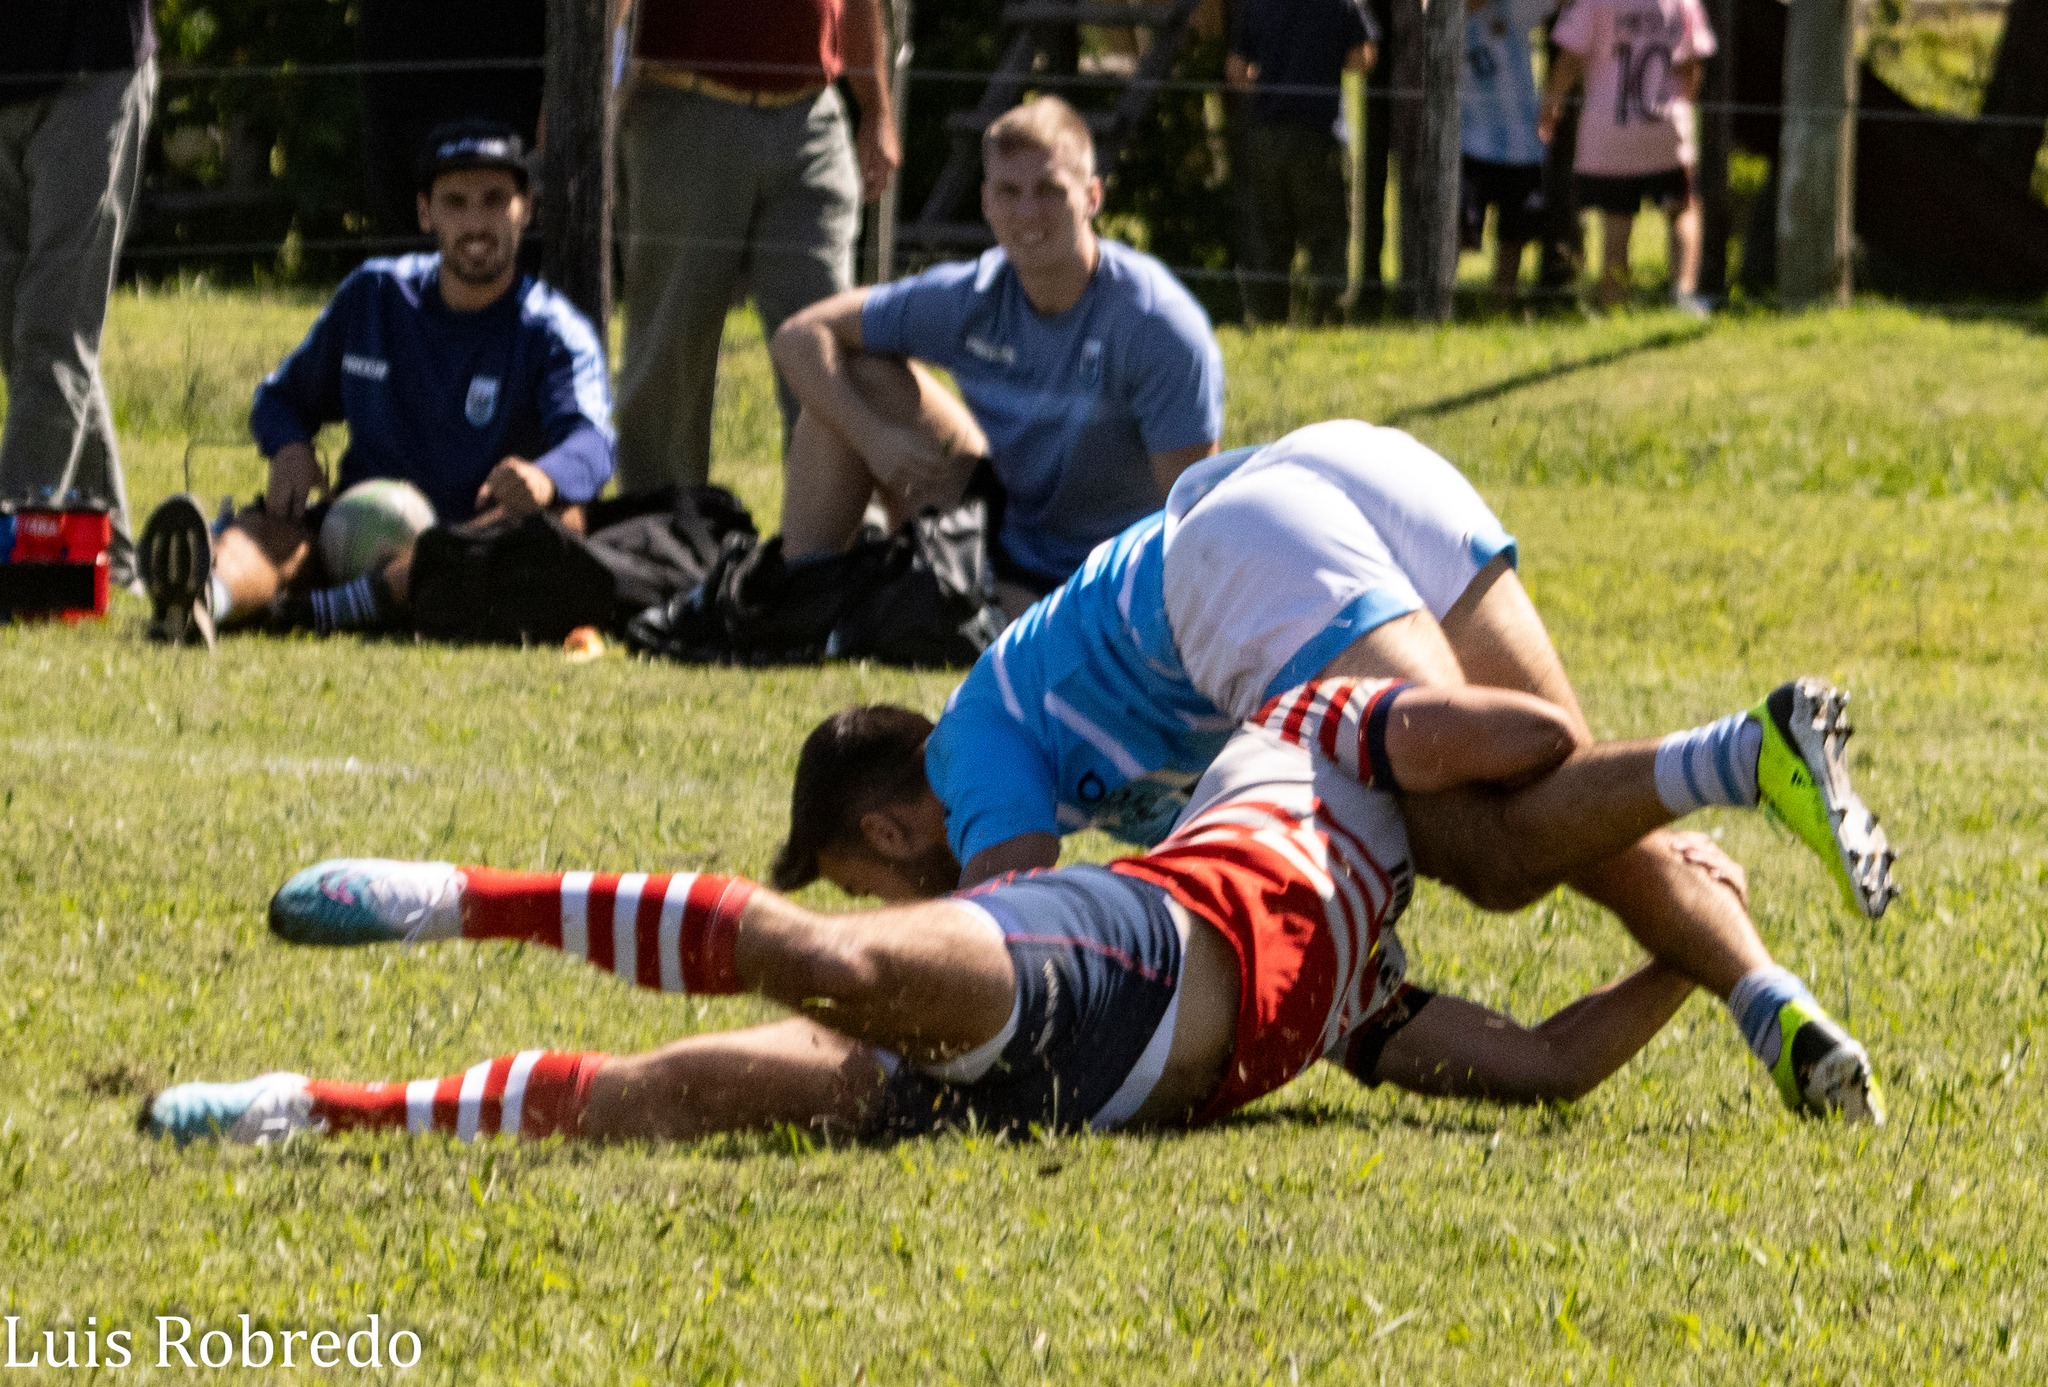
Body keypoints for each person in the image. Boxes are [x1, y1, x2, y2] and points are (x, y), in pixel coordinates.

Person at [140, 673, 1883, 1151]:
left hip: (1065, 1089)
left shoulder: (1364, 979)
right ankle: (460, 899)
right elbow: (1526, 740)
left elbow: (1541, 1066)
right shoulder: (1315, 723)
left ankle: (321, 1109)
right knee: (823, 951)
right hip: (1115, 945)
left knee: (685, 1097)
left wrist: (1683, 954)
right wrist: (1567, 796)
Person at [771, 421, 1894, 1110]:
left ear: (884, 831)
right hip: (1355, 472)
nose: (888, 913)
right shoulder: (1047, 725)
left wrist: (855, 1028)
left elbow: (1001, 939)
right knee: (1561, 809)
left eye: (865, 892)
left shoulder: (968, 747)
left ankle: (1737, 752)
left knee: (1491, 851)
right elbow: (1539, 1064)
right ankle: (1769, 997)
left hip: (1233, 553)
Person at [136, 121, 614, 647]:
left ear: (526, 210)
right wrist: (289, 446)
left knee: (561, 521)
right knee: (271, 533)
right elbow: (280, 399)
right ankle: (206, 598)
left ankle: (328, 610)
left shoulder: (553, 330)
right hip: (358, 528)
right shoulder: (374, 295)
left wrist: (543, 476)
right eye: (455, 203)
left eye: (495, 200)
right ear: (425, 213)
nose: (477, 222)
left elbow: (593, 444)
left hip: (474, 542)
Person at [769, 95, 1225, 600]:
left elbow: (1192, 522)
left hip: (1112, 579)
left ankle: (960, 604)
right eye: (1009, 191)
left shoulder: (1157, 324)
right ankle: (797, 604)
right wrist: (875, 439)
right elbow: (798, 336)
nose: (1028, 211)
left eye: (1049, 189)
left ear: (1093, 197)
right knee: (859, 374)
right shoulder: (972, 295)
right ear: (986, 203)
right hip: (1005, 534)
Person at [613, 0, 899, 495]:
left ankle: (836, 532)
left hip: (813, 116)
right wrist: (593, 98)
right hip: (685, 107)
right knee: (671, 343)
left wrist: (876, 108)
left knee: (829, 338)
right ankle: (659, 526)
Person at [0, 0, 156, 586]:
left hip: (92, 69)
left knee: (53, 334)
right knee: (21, 335)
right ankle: (115, 561)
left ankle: (13, 546)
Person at [1538, 0, 1716, 311]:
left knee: (1616, 221)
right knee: (1682, 209)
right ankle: (1683, 296)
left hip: (1610, 131)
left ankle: (1615, 305)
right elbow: (1691, 66)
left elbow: (1569, 57)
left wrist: (1552, 103)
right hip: (1666, 127)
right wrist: (1685, 106)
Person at [1227, 0, 1379, 325]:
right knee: (1328, 235)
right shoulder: (1341, 4)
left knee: (1269, 235)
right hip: (1319, 133)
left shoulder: (1257, 5)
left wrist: (1269, 87)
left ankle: (1269, 319)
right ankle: (1327, 319)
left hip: (1267, 133)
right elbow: (1362, 58)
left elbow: (1236, 69)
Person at [1460, 0, 1556, 299]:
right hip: (1467, 145)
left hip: (1521, 145)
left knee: (1515, 235)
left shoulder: (1513, 7)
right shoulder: (1441, 18)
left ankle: (1502, 303)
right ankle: (1442, 302)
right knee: (1458, 230)